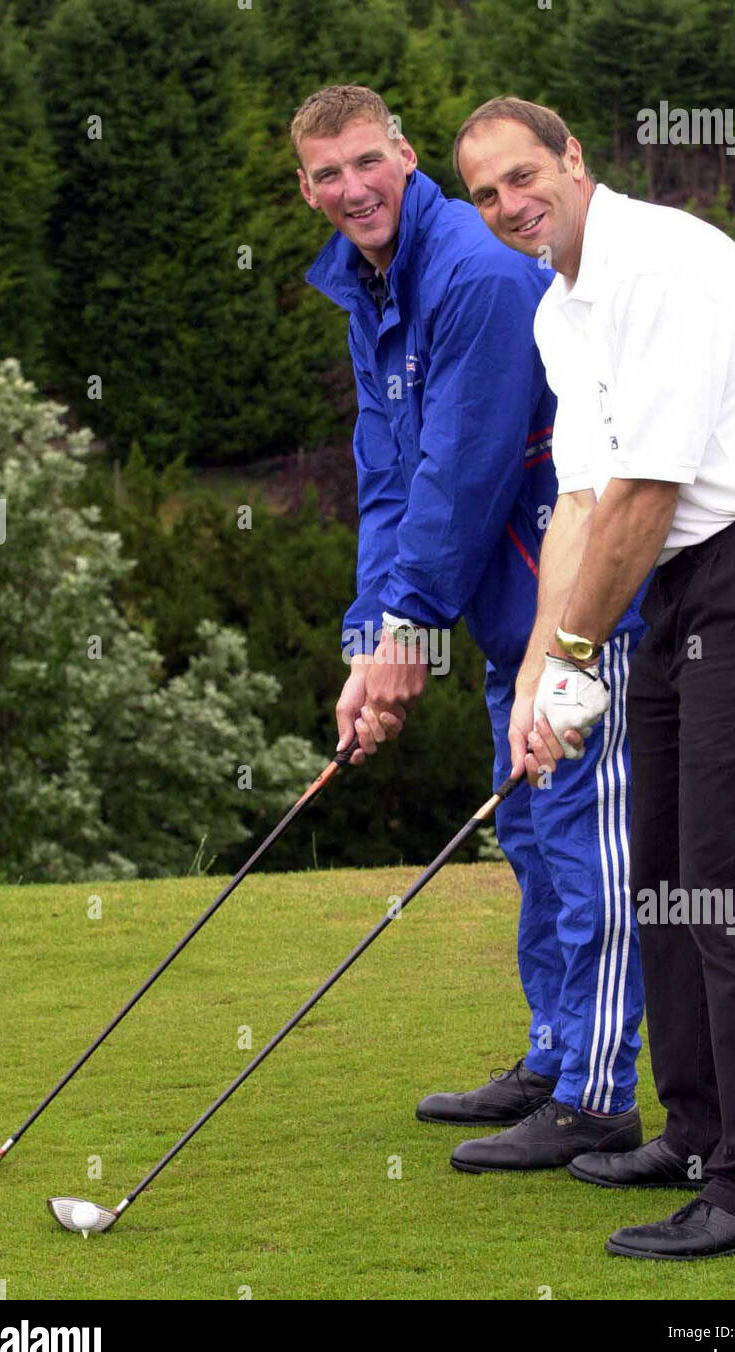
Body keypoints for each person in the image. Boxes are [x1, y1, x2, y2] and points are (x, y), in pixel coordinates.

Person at [454, 95, 735, 1257]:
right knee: (666, 876)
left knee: (732, 889)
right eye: (487, 196)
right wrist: (537, 679)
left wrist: (575, 657)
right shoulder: (559, 311)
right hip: (681, 583)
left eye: (527, 177)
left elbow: (646, 493)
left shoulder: (661, 264)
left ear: (573, 160)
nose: (513, 206)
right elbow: (579, 500)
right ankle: (698, 1133)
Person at [293, 84, 647, 1172]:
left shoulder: (476, 273)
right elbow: (388, 477)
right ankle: (554, 1057)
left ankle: (599, 1092)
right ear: (304, 188)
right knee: (537, 840)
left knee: (585, 842)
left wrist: (410, 629)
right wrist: (375, 636)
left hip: (583, 610)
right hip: (508, 618)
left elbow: (464, 471)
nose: (351, 187)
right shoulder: (374, 285)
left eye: (366, 161)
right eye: (325, 173)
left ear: (403, 156)